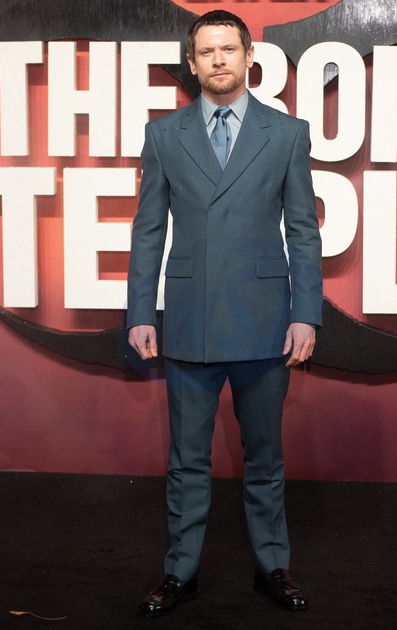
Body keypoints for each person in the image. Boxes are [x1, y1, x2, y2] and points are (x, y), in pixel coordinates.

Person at [127, 9, 322, 618]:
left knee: (264, 456)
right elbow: (148, 231)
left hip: (266, 319)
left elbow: (303, 231)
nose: (218, 60)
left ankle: (273, 566)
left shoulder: (286, 133)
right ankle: (180, 572)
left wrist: (306, 313)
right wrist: (140, 312)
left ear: (248, 57)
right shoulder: (164, 136)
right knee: (187, 460)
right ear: (192, 63)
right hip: (189, 319)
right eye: (207, 51)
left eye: (228, 49)